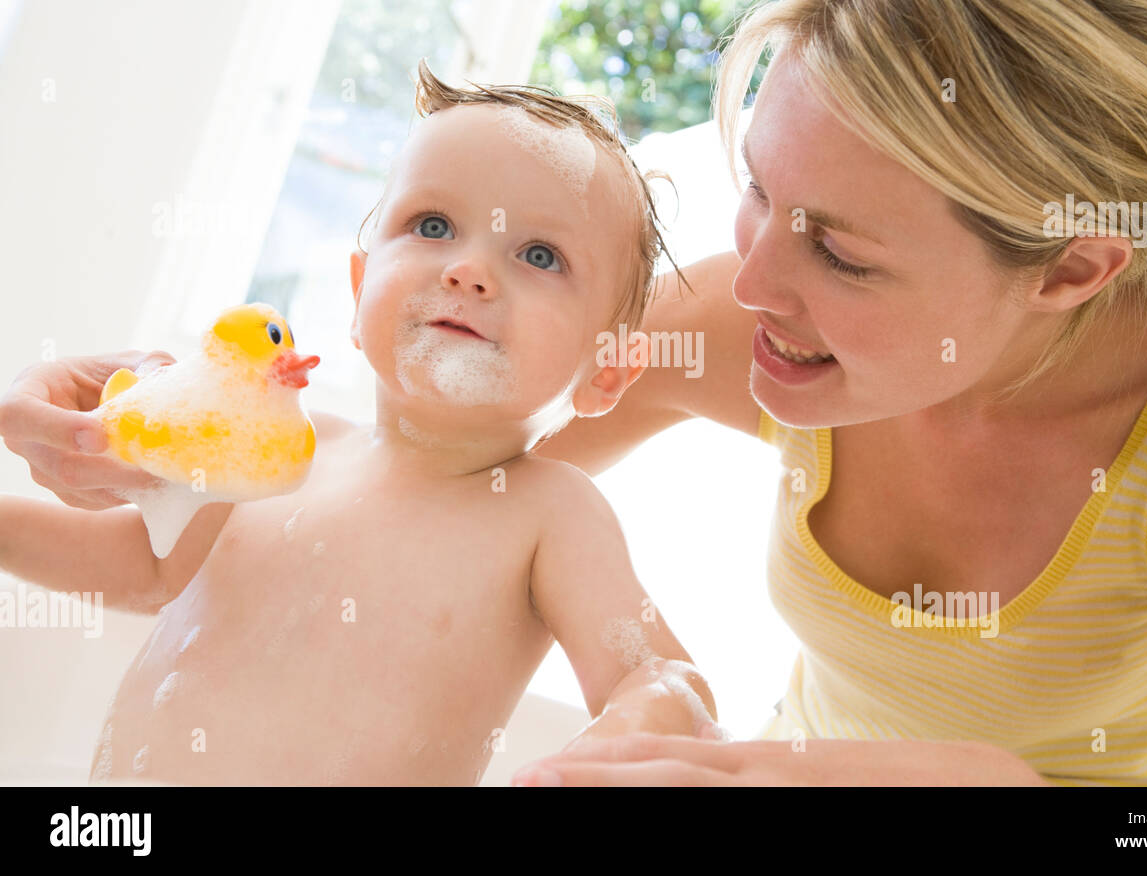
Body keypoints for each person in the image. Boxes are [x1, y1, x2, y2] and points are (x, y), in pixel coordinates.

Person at [4, 0, 1147, 786]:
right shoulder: (757, 316)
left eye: (844, 253)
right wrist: (177, 419)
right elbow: (440, 458)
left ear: (1076, 267)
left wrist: (991, 786)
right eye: (756, 190)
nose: (757, 282)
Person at [0, 67, 718, 785]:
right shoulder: (281, 449)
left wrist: (632, 728)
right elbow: (146, 566)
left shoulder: (549, 517)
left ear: (610, 371)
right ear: (358, 288)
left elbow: (660, 678)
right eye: (433, 226)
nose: (470, 269)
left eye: (539, 255)